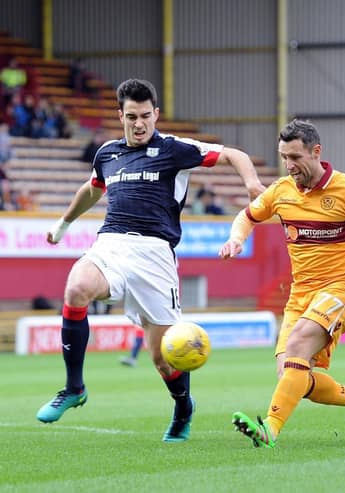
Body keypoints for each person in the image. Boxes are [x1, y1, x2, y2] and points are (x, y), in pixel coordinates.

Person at [36, 78, 265, 442]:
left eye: (145, 116)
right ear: (120, 116)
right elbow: (92, 189)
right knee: (77, 287)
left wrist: (252, 184)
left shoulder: (176, 149)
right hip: (110, 244)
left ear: (156, 114)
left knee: (163, 359)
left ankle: (183, 407)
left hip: (156, 256)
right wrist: (63, 226)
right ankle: (74, 387)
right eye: (131, 117)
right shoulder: (107, 154)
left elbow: (232, 154)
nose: (139, 123)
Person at [219, 119, 345, 448]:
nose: (289, 165)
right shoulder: (281, 191)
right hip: (300, 295)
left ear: (316, 152)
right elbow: (246, 216)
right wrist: (236, 240)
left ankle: (269, 429)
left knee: (299, 345)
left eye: (296, 157)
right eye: (284, 156)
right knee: (292, 374)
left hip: (342, 289)